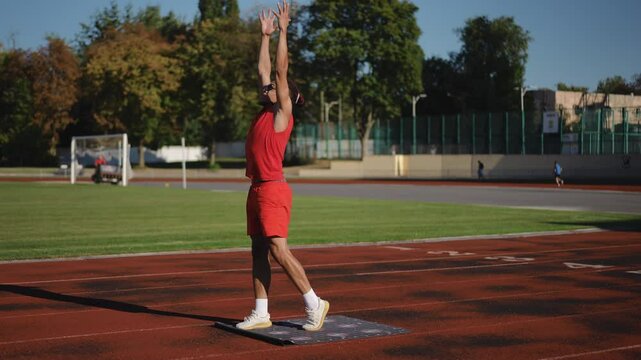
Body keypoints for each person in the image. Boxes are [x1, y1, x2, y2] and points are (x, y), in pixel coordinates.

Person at [236, 0, 329, 332]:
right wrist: (264, 36)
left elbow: (278, 71)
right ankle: (261, 311)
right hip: (256, 187)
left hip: (274, 188)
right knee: (258, 250)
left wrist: (284, 32)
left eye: (273, 88)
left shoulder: (281, 114)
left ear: (285, 95)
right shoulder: (266, 106)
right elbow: (264, 72)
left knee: (277, 248)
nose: (267, 87)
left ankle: (314, 303)